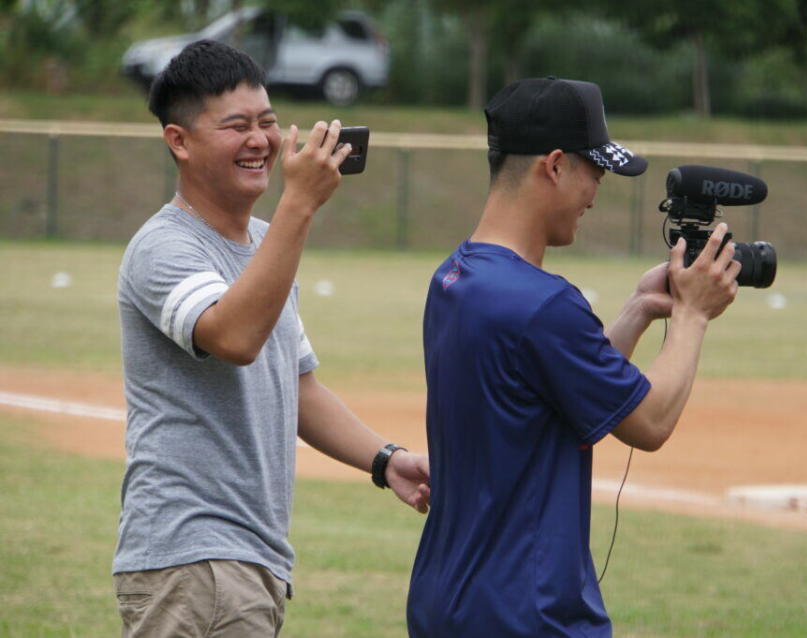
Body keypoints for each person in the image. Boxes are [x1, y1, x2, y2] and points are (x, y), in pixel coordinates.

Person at [113, 40, 430, 638]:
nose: (260, 140)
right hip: (190, 556)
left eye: (267, 122)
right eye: (236, 126)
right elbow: (234, 338)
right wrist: (300, 204)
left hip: (250, 559)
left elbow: (298, 386)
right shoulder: (163, 248)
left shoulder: (264, 243)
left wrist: (386, 460)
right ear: (178, 141)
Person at [406, 77, 740, 637]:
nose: (598, 188)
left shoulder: (454, 277)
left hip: (449, 601)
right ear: (555, 165)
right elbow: (650, 422)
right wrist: (693, 315)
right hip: (528, 613)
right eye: (595, 168)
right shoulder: (543, 303)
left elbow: (549, 397)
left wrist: (637, 310)